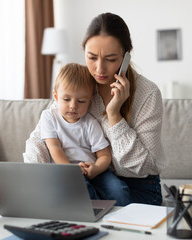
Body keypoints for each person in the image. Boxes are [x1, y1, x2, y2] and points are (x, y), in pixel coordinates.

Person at [24, 12, 166, 206]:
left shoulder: (147, 94)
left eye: (110, 59)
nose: (99, 69)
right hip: (88, 180)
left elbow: (142, 166)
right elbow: (39, 139)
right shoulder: (78, 85)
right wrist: (38, 177)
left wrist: (114, 115)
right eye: (92, 57)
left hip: (139, 187)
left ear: (126, 55)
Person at [36, 63, 130, 206]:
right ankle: (99, 216)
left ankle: (125, 219)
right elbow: (54, 148)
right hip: (66, 170)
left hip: (92, 169)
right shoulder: (49, 117)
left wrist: (96, 169)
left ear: (90, 101)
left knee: (119, 190)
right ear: (56, 96)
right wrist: (71, 171)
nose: (73, 106)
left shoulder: (90, 123)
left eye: (81, 101)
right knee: (82, 190)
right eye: (66, 99)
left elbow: (104, 155)